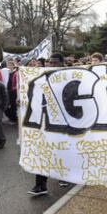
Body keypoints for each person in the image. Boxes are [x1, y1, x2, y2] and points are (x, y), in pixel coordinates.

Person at [28, 53, 70, 196]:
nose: (51, 65)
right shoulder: (42, 78)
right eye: (49, 63)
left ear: (62, 63)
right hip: (45, 122)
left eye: (54, 63)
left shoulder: (69, 77)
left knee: (61, 151)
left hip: (63, 123)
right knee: (42, 152)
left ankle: (63, 176)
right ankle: (40, 185)